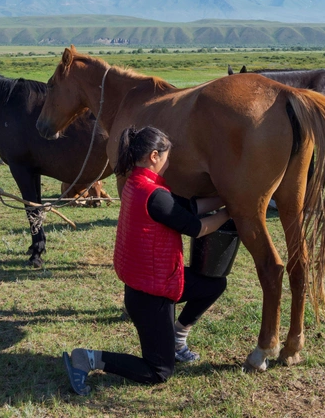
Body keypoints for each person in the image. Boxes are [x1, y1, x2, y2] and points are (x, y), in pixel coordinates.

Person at [63, 126, 231, 395]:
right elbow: (196, 227)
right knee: (159, 371)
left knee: (214, 284)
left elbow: (188, 207)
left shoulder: (139, 184)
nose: (169, 162)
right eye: (167, 156)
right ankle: (89, 358)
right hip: (151, 295)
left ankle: (177, 336)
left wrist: (224, 198)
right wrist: (231, 210)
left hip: (156, 281)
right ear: (154, 155)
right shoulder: (155, 195)